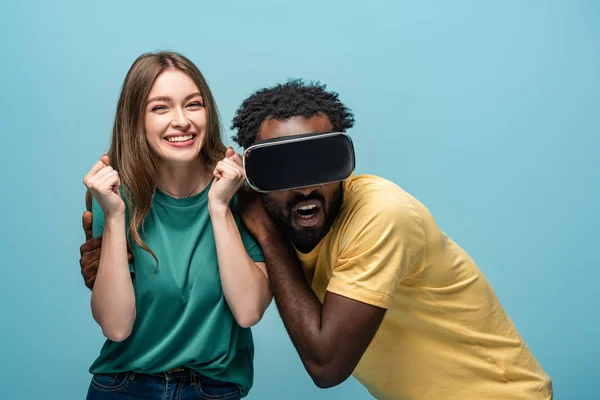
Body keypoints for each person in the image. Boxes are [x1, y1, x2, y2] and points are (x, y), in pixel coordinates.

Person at [80, 79, 553, 400]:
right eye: (284, 168)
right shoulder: (254, 206)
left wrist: (263, 229)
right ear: (258, 172)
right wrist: (112, 262)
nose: (305, 188)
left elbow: (326, 365)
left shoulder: (378, 214)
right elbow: (196, 276)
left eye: (319, 163)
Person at [80, 51, 271, 400]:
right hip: (125, 385)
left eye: (193, 104)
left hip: (213, 388)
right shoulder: (113, 194)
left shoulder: (240, 189)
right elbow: (116, 326)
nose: (181, 121)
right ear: (136, 120)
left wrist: (218, 207)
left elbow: (248, 311)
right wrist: (113, 215)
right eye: (160, 108)